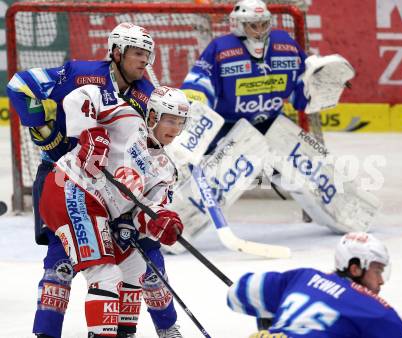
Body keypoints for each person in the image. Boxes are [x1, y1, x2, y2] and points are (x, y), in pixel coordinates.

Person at [6, 23, 179, 338]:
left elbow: (152, 147)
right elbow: (20, 84)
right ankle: (46, 333)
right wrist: (45, 129)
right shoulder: (79, 74)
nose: (144, 61)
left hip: (114, 189)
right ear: (116, 52)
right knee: (60, 263)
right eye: (137, 53)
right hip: (66, 179)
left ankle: (160, 329)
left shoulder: (147, 95)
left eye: (148, 54)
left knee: (143, 254)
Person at [38, 85, 190, 337]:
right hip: (70, 188)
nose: (175, 129)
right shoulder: (126, 118)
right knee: (105, 274)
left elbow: (147, 210)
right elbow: (82, 95)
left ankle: (123, 332)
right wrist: (90, 132)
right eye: (170, 120)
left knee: (134, 266)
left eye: (180, 122)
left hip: (97, 211)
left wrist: (158, 221)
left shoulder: (165, 169)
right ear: (152, 116)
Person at [180, 0, 309, 152]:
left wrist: (318, 83)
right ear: (238, 25)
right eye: (253, 25)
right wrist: (193, 110)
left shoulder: (285, 45)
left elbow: (304, 87)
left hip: (271, 121)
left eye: (264, 24)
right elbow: (199, 83)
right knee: (213, 165)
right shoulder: (221, 49)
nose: (259, 31)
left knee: (308, 157)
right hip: (229, 124)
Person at [227, 232, 402, 338]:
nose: (381, 281)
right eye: (377, 271)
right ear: (355, 268)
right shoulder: (375, 310)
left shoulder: (301, 277)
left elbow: (236, 293)